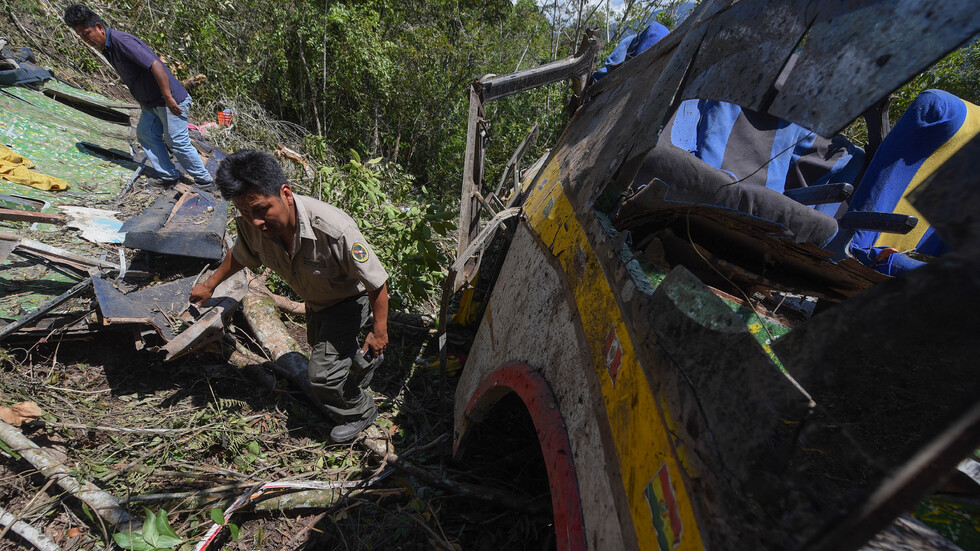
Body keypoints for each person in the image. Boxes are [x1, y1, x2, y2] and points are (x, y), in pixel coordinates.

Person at [190, 150, 388, 442]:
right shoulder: (252, 225)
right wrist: (210, 285)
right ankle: (364, 362)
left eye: (260, 209)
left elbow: (377, 282)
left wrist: (379, 331)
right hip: (316, 301)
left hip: (348, 301)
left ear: (286, 193)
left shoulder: (333, 229)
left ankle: (361, 411)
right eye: (245, 212)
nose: (255, 221)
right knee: (326, 351)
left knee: (321, 376)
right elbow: (241, 255)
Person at [63, 4, 214, 186]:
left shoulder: (122, 41)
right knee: (146, 135)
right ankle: (168, 175)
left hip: (170, 100)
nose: (86, 40)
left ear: (99, 28)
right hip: (152, 103)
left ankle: (205, 180)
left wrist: (167, 97)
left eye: (86, 34)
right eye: (81, 36)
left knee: (176, 141)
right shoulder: (108, 48)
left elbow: (156, 65)